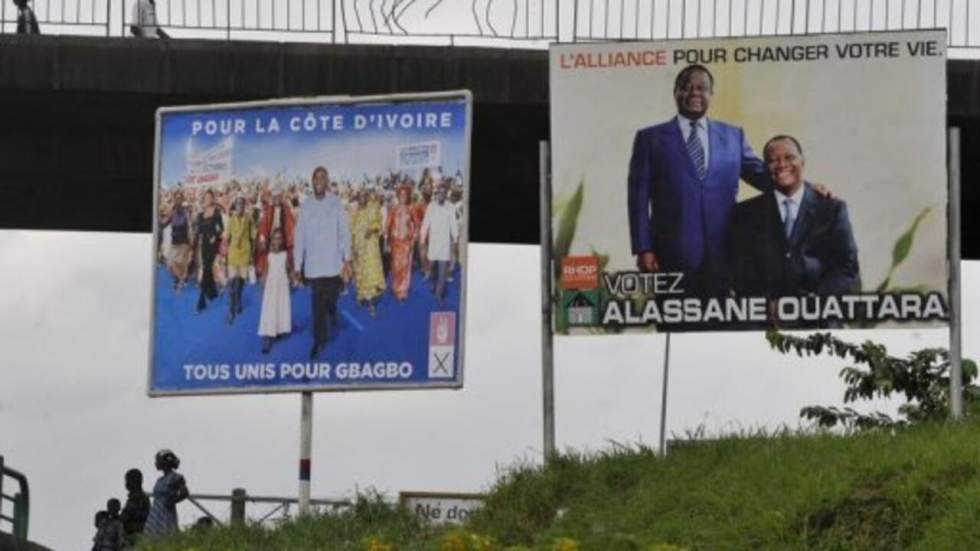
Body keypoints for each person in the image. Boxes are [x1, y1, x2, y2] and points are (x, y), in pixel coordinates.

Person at [627, 64, 773, 298]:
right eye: (687, 87)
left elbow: (763, 175)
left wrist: (806, 187)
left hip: (725, 252)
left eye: (702, 88)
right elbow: (638, 198)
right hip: (671, 253)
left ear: (711, 94)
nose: (694, 93)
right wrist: (643, 248)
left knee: (722, 326)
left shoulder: (733, 136)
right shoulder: (650, 138)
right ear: (675, 93)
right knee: (673, 324)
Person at [729, 135, 859, 327]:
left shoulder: (832, 209)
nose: (781, 165)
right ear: (765, 168)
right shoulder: (745, 213)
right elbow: (738, 270)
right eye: (772, 160)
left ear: (802, 162)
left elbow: (846, 267)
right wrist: (766, 306)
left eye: (789, 157)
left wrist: (811, 305)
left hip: (818, 319)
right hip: (764, 322)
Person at [294, 166, 352, 359]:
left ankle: (332, 310)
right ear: (312, 181)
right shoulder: (306, 205)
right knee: (317, 304)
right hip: (314, 266)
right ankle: (319, 340)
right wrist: (297, 264)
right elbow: (299, 236)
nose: (319, 180)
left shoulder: (336, 203)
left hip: (333, 264)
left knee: (331, 298)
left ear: (327, 182)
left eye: (322, 177)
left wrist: (347, 259)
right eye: (316, 177)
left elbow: (344, 232)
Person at [420, 185, 459, 305]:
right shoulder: (431, 207)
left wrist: (455, 237)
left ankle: (438, 295)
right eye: (439, 193)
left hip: (444, 244)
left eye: (443, 192)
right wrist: (423, 237)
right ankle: (433, 285)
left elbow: (453, 222)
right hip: (433, 244)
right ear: (436, 194)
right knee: (432, 270)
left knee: (442, 271)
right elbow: (426, 222)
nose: (441, 195)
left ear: (446, 194)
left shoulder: (450, 207)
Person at [258, 228, 294, 354]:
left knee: (280, 308)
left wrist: (291, 279)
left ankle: (277, 329)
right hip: (271, 287)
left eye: (280, 238)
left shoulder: (285, 255)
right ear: (271, 240)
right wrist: (262, 289)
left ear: (282, 240)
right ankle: (267, 337)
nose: (277, 241)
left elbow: (289, 270)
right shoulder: (269, 255)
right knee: (269, 310)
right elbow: (265, 273)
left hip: (282, 286)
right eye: (275, 238)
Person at [350, 189, 386, 315]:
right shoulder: (354, 213)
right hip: (358, 249)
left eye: (364, 196)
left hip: (370, 249)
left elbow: (379, 223)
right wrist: (352, 247)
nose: (362, 198)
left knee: (370, 275)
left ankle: (371, 305)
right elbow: (351, 230)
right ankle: (360, 296)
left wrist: (371, 229)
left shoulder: (373, 209)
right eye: (360, 196)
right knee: (359, 275)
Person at [143, 449, 188, 538]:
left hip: (166, 511)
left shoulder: (175, 477)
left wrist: (172, 501)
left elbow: (184, 493)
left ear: (165, 462)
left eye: (158, 460)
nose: (156, 463)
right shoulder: (160, 480)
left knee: (165, 534)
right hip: (155, 512)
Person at [225, 196, 254, 324]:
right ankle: (231, 310)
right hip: (233, 254)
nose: (239, 207)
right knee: (231, 283)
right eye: (237, 204)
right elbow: (227, 237)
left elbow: (253, 236)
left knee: (241, 282)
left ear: (244, 206)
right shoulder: (231, 219)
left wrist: (252, 255)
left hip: (245, 254)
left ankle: (239, 299)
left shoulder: (249, 219)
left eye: (241, 204)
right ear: (235, 206)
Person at [386, 184, 418, 301]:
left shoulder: (411, 209)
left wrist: (414, 238)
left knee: (405, 266)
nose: (403, 197)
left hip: (406, 243)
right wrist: (386, 241)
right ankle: (396, 288)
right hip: (395, 242)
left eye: (405, 195)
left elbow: (416, 225)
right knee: (396, 266)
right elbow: (387, 225)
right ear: (398, 196)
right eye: (401, 195)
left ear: (407, 196)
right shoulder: (393, 209)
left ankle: (402, 291)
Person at [194, 189, 223, 313]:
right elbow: (199, 230)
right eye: (205, 197)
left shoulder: (216, 212)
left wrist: (214, 235)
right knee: (207, 267)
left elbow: (221, 228)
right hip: (204, 244)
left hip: (213, 243)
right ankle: (213, 293)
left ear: (212, 198)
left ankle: (201, 301)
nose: (207, 199)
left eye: (209, 197)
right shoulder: (200, 214)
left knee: (206, 269)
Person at [256, 187, 295, 280]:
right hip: (271, 239)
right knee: (270, 260)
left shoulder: (286, 209)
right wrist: (263, 237)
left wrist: (290, 237)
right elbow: (263, 225)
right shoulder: (268, 209)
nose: (277, 199)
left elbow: (291, 224)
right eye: (275, 197)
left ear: (281, 198)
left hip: (283, 239)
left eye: (279, 197)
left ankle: (283, 278)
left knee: (283, 260)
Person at [119, 468, 150, 549]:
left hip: (137, 537)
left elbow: (126, 516)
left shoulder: (139, 497)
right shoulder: (133, 497)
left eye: (128, 480)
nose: (126, 484)